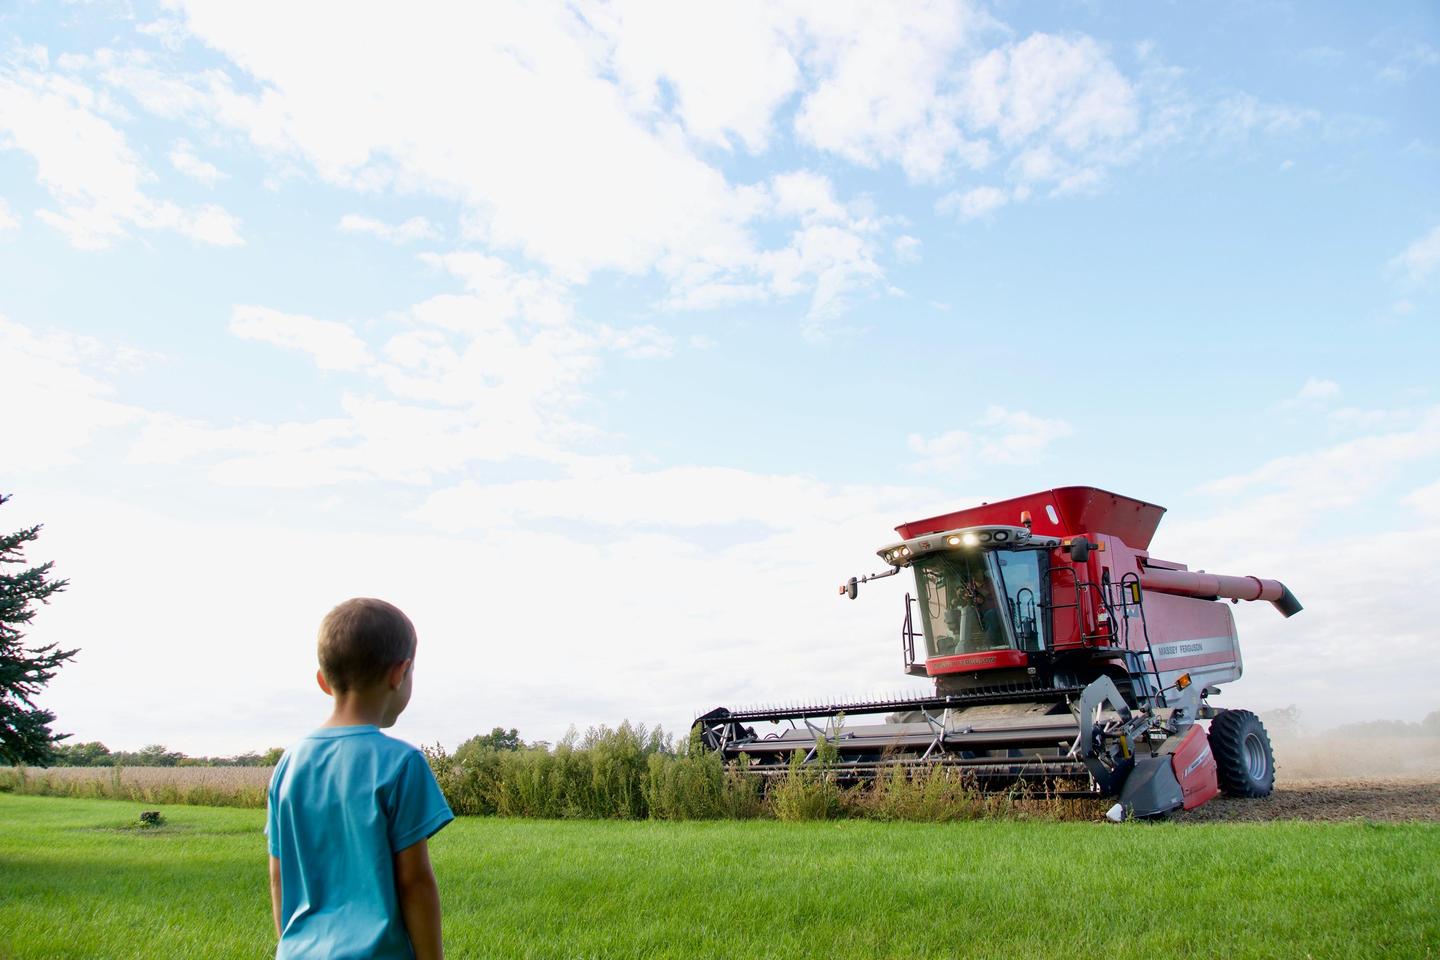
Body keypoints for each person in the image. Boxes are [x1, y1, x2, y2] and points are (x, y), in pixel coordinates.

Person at [266, 598, 454, 959]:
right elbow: (414, 882)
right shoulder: (403, 763)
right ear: (399, 673)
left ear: (323, 681)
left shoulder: (289, 764)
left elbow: (279, 874)